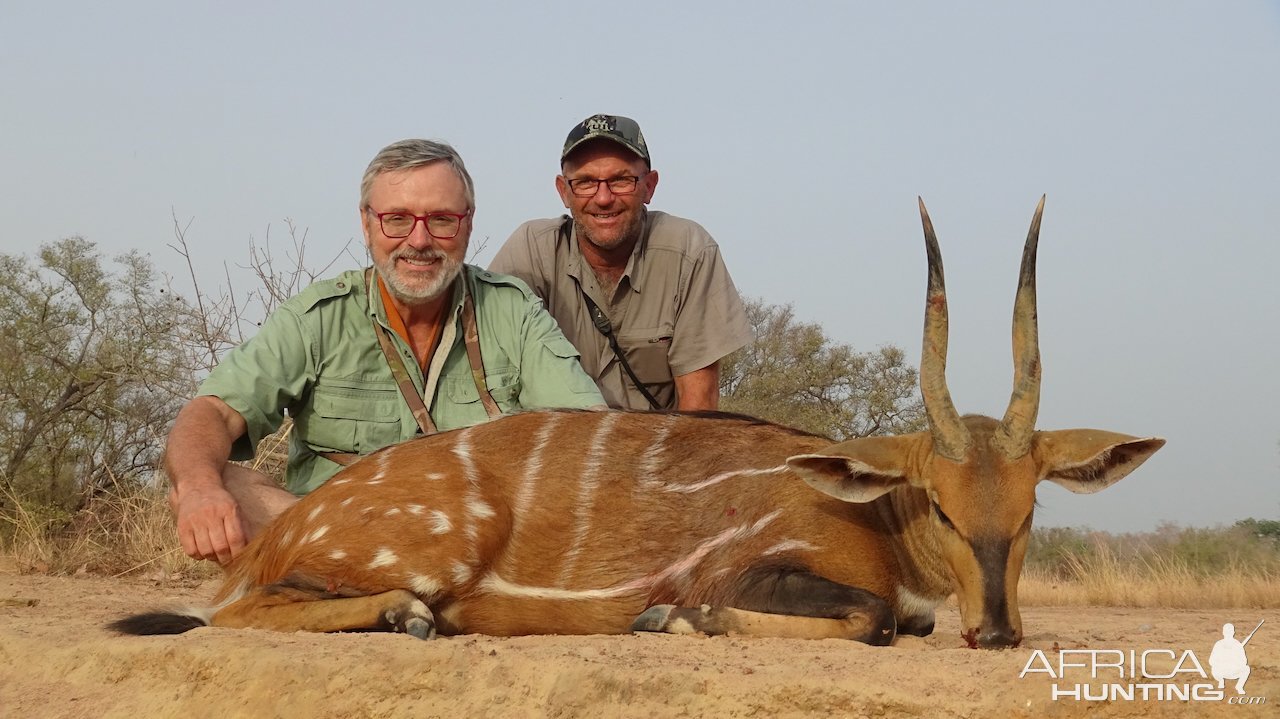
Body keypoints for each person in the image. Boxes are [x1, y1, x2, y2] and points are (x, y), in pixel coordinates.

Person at [167, 139, 605, 564]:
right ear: (367, 222)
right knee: (210, 481)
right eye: (397, 219)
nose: (418, 241)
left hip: (476, 546)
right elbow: (213, 413)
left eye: (441, 220)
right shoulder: (319, 316)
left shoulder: (514, 309)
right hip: (343, 544)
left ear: (467, 223)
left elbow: (587, 435)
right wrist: (200, 489)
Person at [491, 114, 750, 411]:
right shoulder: (531, 250)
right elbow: (493, 378)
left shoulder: (690, 251)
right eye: (586, 182)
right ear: (564, 191)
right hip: (557, 450)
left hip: (653, 452)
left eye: (621, 180)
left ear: (649, 186)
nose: (603, 198)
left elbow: (699, 407)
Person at [1209, 622, 1252, 695]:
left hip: (1232, 671)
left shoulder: (1237, 645)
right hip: (1221, 672)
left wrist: (1234, 660)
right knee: (1214, 668)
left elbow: (1244, 661)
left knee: (1246, 668)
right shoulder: (1219, 644)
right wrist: (1222, 661)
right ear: (1233, 632)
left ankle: (1239, 686)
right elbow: (1211, 661)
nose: (1228, 633)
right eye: (1227, 631)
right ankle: (1221, 681)